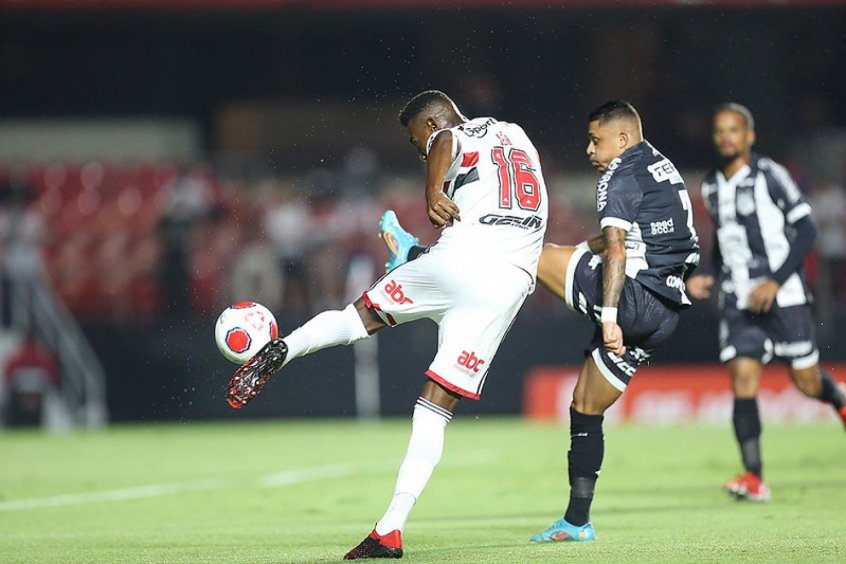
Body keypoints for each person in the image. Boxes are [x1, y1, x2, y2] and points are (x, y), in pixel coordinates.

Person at [226, 90, 549, 559]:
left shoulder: (448, 134)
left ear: (432, 123)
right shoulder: (515, 134)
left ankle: (285, 348)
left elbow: (445, 142)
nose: (420, 152)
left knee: (356, 319)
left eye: (416, 141)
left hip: (462, 261)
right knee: (436, 406)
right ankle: (389, 529)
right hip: (509, 283)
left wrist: (432, 190)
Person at [384, 100, 701, 542]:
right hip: (664, 313)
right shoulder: (659, 167)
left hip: (629, 300)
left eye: (596, 140)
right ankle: (576, 521)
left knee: (528, 254)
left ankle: (415, 256)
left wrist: (610, 317)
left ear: (622, 138)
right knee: (585, 406)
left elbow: (616, 248)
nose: (589, 150)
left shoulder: (619, 175)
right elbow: (653, 237)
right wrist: (584, 253)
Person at [686, 103, 846, 502]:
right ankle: (754, 477)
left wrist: (775, 281)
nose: (726, 137)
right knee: (742, 378)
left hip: (784, 296)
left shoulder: (770, 175)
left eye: (734, 129)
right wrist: (711, 274)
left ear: (750, 136)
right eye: (720, 130)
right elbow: (724, 241)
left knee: (806, 382)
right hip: (738, 298)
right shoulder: (711, 185)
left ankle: (839, 400)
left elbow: (806, 231)